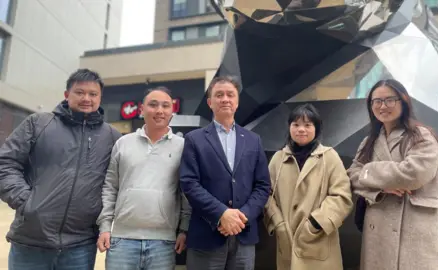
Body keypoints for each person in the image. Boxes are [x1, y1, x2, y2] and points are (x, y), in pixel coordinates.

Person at [0, 69, 122, 270]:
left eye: (93, 94)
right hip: (31, 241)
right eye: (79, 92)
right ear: (67, 95)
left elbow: (119, 180)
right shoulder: (38, 124)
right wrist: (26, 201)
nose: (86, 98)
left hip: (80, 245)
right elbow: (6, 163)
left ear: (100, 97)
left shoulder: (112, 136)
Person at [347, 79, 438, 270]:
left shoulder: (421, 136)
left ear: (404, 101)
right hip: (378, 232)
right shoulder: (369, 141)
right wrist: (381, 188)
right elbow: (351, 175)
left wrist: (370, 171)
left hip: (413, 232)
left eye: (389, 100)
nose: (383, 106)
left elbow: (413, 174)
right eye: (377, 101)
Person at [179, 76, 271, 270]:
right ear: (210, 102)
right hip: (206, 235)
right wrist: (221, 214)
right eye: (219, 95)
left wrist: (242, 217)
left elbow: (263, 186)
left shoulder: (253, 140)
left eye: (230, 95)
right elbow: (189, 183)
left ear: (237, 102)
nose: (225, 99)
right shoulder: (194, 140)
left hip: (243, 235)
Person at [96, 87, 191, 270]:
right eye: (153, 105)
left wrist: (184, 229)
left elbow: (186, 192)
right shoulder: (123, 143)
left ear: (172, 111)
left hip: (164, 243)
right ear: (141, 109)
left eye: (165, 106)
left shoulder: (183, 147)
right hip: (122, 240)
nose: (159, 110)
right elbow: (110, 187)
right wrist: (105, 226)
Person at [264, 104, 353, 270]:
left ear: (316, 128)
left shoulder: (329, 157)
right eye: (296, 125)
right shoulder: (278, 159)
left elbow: (341, 196)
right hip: (286, 241)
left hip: (319, 242)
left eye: (307, 125)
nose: (301, 130)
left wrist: (315, 223)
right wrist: (279, 224)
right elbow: (266, 194)